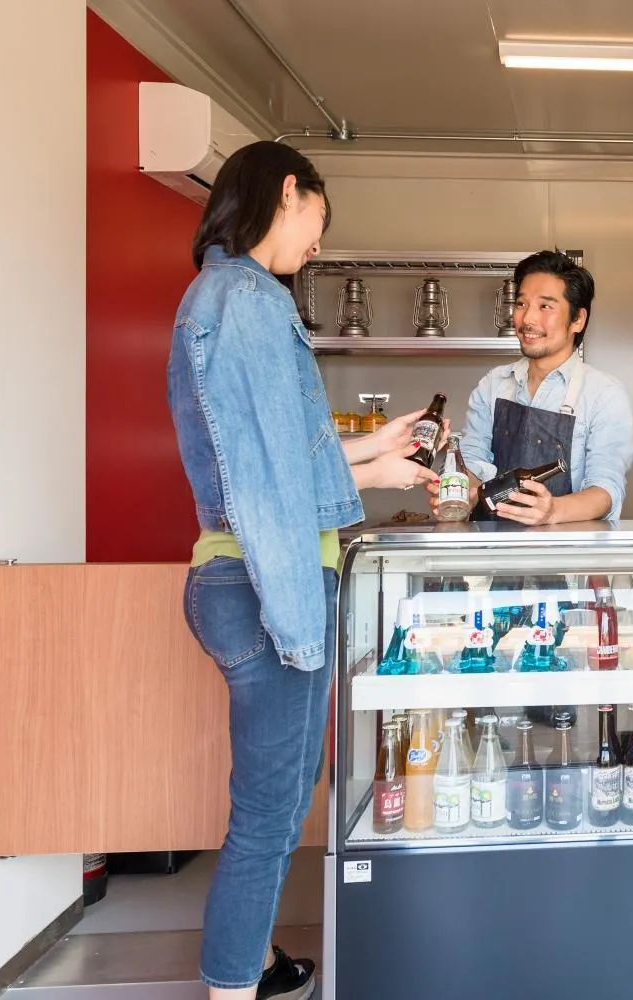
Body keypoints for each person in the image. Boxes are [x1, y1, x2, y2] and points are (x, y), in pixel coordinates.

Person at [167, 141, 435, 1000]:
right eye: (320, 218)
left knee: (279, 807)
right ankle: (230, 983)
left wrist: (369, 451)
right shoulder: (248, 297)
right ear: (289, 191)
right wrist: (377, 475)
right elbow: (279, 476)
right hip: (262, 578)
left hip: (236, 572)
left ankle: (248, 964)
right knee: (271, 816)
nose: (320, 243)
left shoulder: (218, 296)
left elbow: (280, 453)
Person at [445, 250, 633, 523]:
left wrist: (552, 510)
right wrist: (464, 491)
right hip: (490, 555)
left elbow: (605, 489)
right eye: (521, 304)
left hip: (567, 557)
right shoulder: (493, 385)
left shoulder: (604, 395)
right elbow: (473, 459)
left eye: (545, 306)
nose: (527, 319)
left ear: (577, 320)